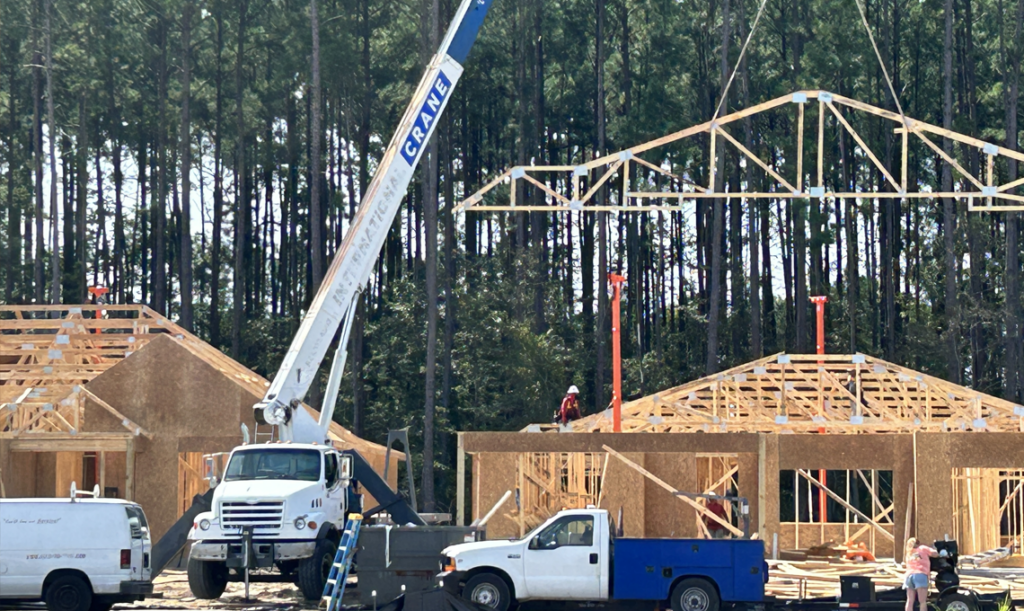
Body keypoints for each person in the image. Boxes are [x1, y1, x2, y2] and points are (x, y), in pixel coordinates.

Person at [903, 537, 938, 611]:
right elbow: (935, 554)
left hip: (909, 576)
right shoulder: (922, 548)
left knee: (910, 601)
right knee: (922, 601)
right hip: (920, 574)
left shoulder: (909, 553)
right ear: (918, 543)